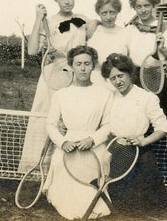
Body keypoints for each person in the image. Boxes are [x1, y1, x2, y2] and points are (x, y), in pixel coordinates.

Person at [18, 0, 90, 172]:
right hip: (52, 78)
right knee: (48, 120)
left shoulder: (84, 20)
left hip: (76, 76)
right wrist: (37, 18)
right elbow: (33, 50)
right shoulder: (48, 22)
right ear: (55, 0)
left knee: (74, 120)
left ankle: (70, 168)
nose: (67, 1)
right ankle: (41, 168)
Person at [126, 0, 167, 184]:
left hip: (157, 82)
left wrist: (162, 50)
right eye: (138, 6)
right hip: (134, 84)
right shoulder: (129, 29)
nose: (143, 10)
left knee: (161, 127)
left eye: (146, 5)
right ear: (134, 8)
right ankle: (136, 181)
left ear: (154, 6)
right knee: (135, 128)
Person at [43, 45, 113, 220]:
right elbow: (50, 124)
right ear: (71, 66)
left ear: (93, 66)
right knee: (67, 202)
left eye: (87, 64)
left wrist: (92, 139)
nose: (83, 68)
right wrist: (63, 143)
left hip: (93, 148)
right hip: (68, 148)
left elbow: (108, 125)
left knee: (97, 205)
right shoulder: (61, 94)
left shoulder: (105, 94)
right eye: (79, 64)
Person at [101, 53, 167, 210]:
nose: (117, 81)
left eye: (120, 76)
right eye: (113, 78)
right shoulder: (109, 97)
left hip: (140, 153)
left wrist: (143, 141)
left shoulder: (147, 98)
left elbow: (162, 128)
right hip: (115, 152)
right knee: (117, 205)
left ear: (129, 73)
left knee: (143, 206)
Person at [87, 0, 129, 88]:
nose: (108, 17)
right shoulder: (92, 31)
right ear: (98, 13)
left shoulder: (124, 33)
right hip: (96, 81)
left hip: (119, 82)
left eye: (112, 12)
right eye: (104, 13)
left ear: (118, 11)